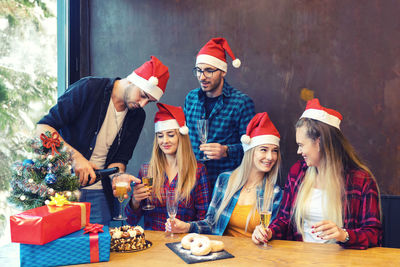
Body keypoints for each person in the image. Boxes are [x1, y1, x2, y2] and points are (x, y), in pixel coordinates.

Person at [36, 56, 170, 225]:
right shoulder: (88, 88)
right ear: (132, 81)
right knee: (62, 247)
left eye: (149, 101)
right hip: (61, 188)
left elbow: (120, 160)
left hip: (98, 192)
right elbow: (43, 128)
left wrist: (118, 176)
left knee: (99, 248)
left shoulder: (137, 116)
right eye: (143, 95)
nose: (143, 104)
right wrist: (75, 158)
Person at [252, 99, 382, 249]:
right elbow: (284, 219)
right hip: (299, 258)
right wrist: (269, 232)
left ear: (319, 142)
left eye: (301, 145)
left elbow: (374, 235)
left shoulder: (361, 180)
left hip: (343, 261)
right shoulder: (298, 172)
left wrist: (344, 235)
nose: (298, 151)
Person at [166, 112, 282, 237]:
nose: (270, 157)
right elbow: (210, 224)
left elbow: (273, 234)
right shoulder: (225, 180)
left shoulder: (275, 193)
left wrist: (267, 234)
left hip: (254, 254)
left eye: (274, 151)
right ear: (250, 152)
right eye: (264, 150)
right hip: (222, 252)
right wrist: (187, 226)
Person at [117, 103, 210, 231]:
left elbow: (206, 224)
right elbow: (130, 222)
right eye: (160, 136)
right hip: (153, 244)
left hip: (184, 244)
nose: (164, 141)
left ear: (181, 137)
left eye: (170, 135)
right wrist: (135, 202)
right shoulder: (146, 171)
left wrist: (188, 227)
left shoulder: (198, 171)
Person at [184, 37, 255, 189]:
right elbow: (184, 139)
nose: (202, 77)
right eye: (198, 70)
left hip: (225, 184)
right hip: (193, 183)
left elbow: (253, 149)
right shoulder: (191, 98)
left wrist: (226, 151)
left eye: (209, 70)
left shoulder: (241, 103)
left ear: (222, 71)